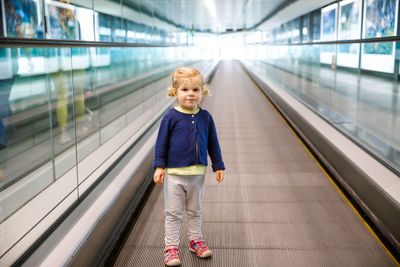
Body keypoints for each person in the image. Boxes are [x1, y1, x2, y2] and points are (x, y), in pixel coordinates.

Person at [153, 66, 225, 266]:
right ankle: (171, 248)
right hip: (175, 174)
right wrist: (159, 167)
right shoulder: (170, 117)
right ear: (174, 92)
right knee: (173, 213)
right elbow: (161, 144)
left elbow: (213, 143)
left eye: (195, 90)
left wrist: (218, 165)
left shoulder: (206, 117)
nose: (191, 94)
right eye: (185, 90)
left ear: (203, 92)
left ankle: (196, 241)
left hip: (197, 174)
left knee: (195, 211)